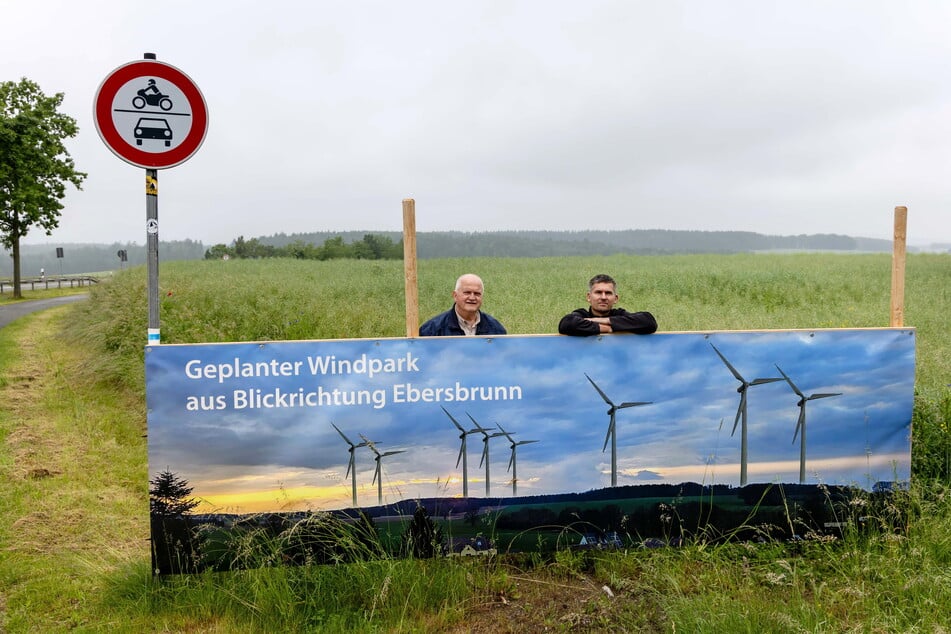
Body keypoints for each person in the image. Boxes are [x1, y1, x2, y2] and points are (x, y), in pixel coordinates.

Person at [558, 274, 657, 336]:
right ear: (589, 297)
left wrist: (599, 321)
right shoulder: (582, 315)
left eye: (608, 293)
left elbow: (649, 321)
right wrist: (609, 328)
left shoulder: (620, 314)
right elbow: (566, 323)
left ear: (616, 298)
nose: (604, 297)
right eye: (598, 292)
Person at [419, 274, 507, 337]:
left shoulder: (496, 329)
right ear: (455, 295)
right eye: (467, 293)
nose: (472, 297)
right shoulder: (432, 330)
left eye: (477, 293)